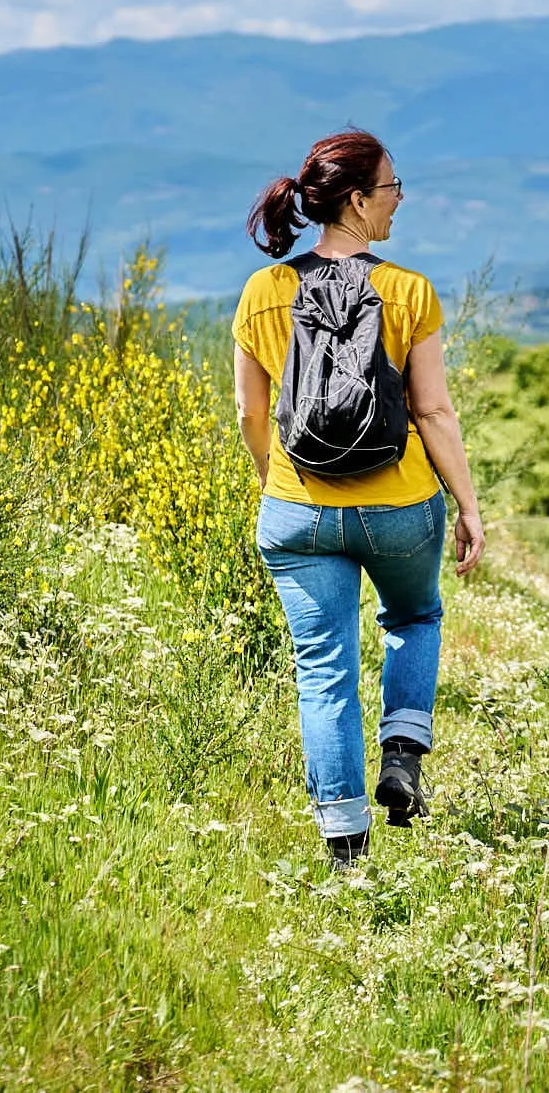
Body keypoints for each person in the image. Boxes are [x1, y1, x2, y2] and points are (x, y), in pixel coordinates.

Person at [233, 129, 487, 868]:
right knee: (413, 613)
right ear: (356, 199)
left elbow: (252, 414)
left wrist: (271, 479)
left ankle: (346, 850)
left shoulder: (262, 291)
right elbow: (434, 413)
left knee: (323, 669)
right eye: (391, 188)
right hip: (400, 505)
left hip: (297, 505)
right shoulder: (409, 291)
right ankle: (403, 750)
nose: (398, 199)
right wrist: (468, 505)